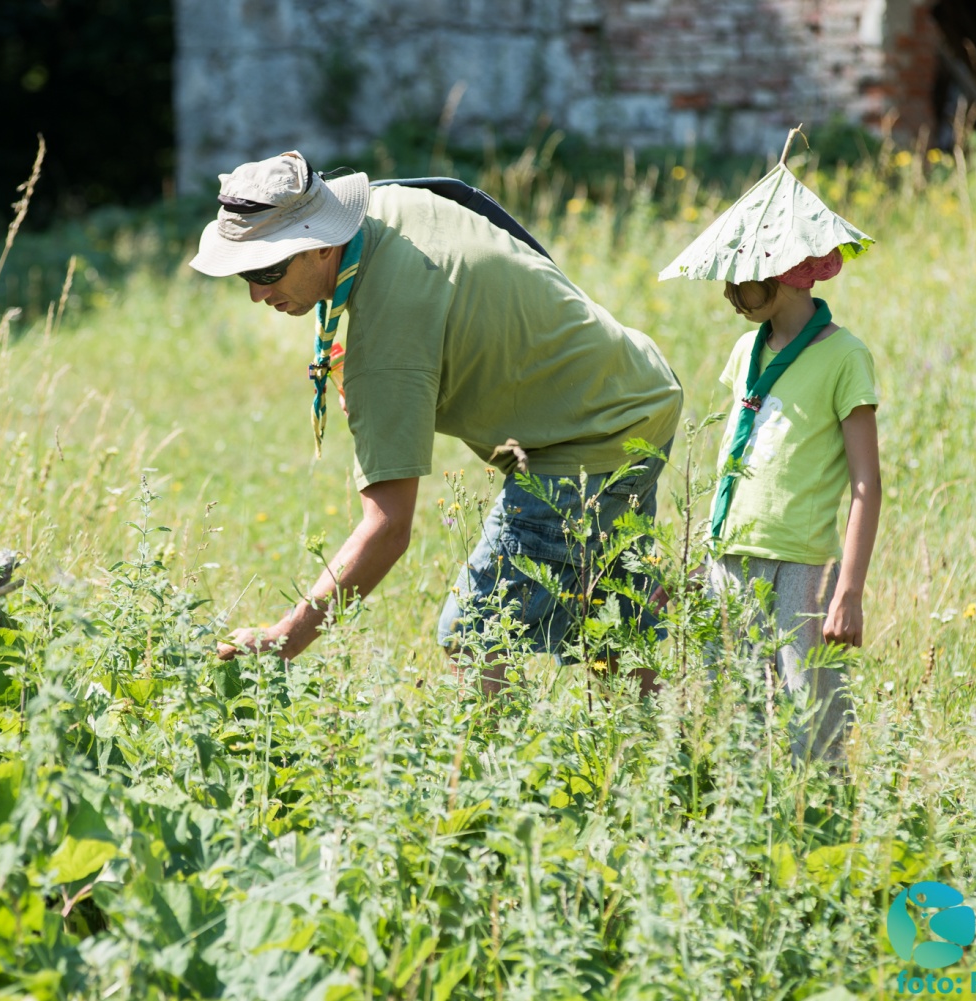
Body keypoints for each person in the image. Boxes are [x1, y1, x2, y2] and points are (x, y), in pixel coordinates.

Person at [188, 151, 683, 689]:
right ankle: (655, 753)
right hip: (633, 391)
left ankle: (484, 772)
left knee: (474, 635)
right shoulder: (386, 208)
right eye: (245, 275)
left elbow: (389, 529)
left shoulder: (387, 340)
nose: (258, 293)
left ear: (323, 243)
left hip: (591, 438)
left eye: (267, 270)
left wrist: (288, 637)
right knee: (609, 626)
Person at [706, 250, 881, 760]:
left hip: (802, 567)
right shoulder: (745, 349)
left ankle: (821, 830)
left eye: (743, 280)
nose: (730, 293)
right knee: (739, 725)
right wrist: (705, 558)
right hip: (730, 559)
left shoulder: (845, 356)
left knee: (813, 729)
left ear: (784, 274)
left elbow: (866, 482)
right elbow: (731, 453)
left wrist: (847, 592)